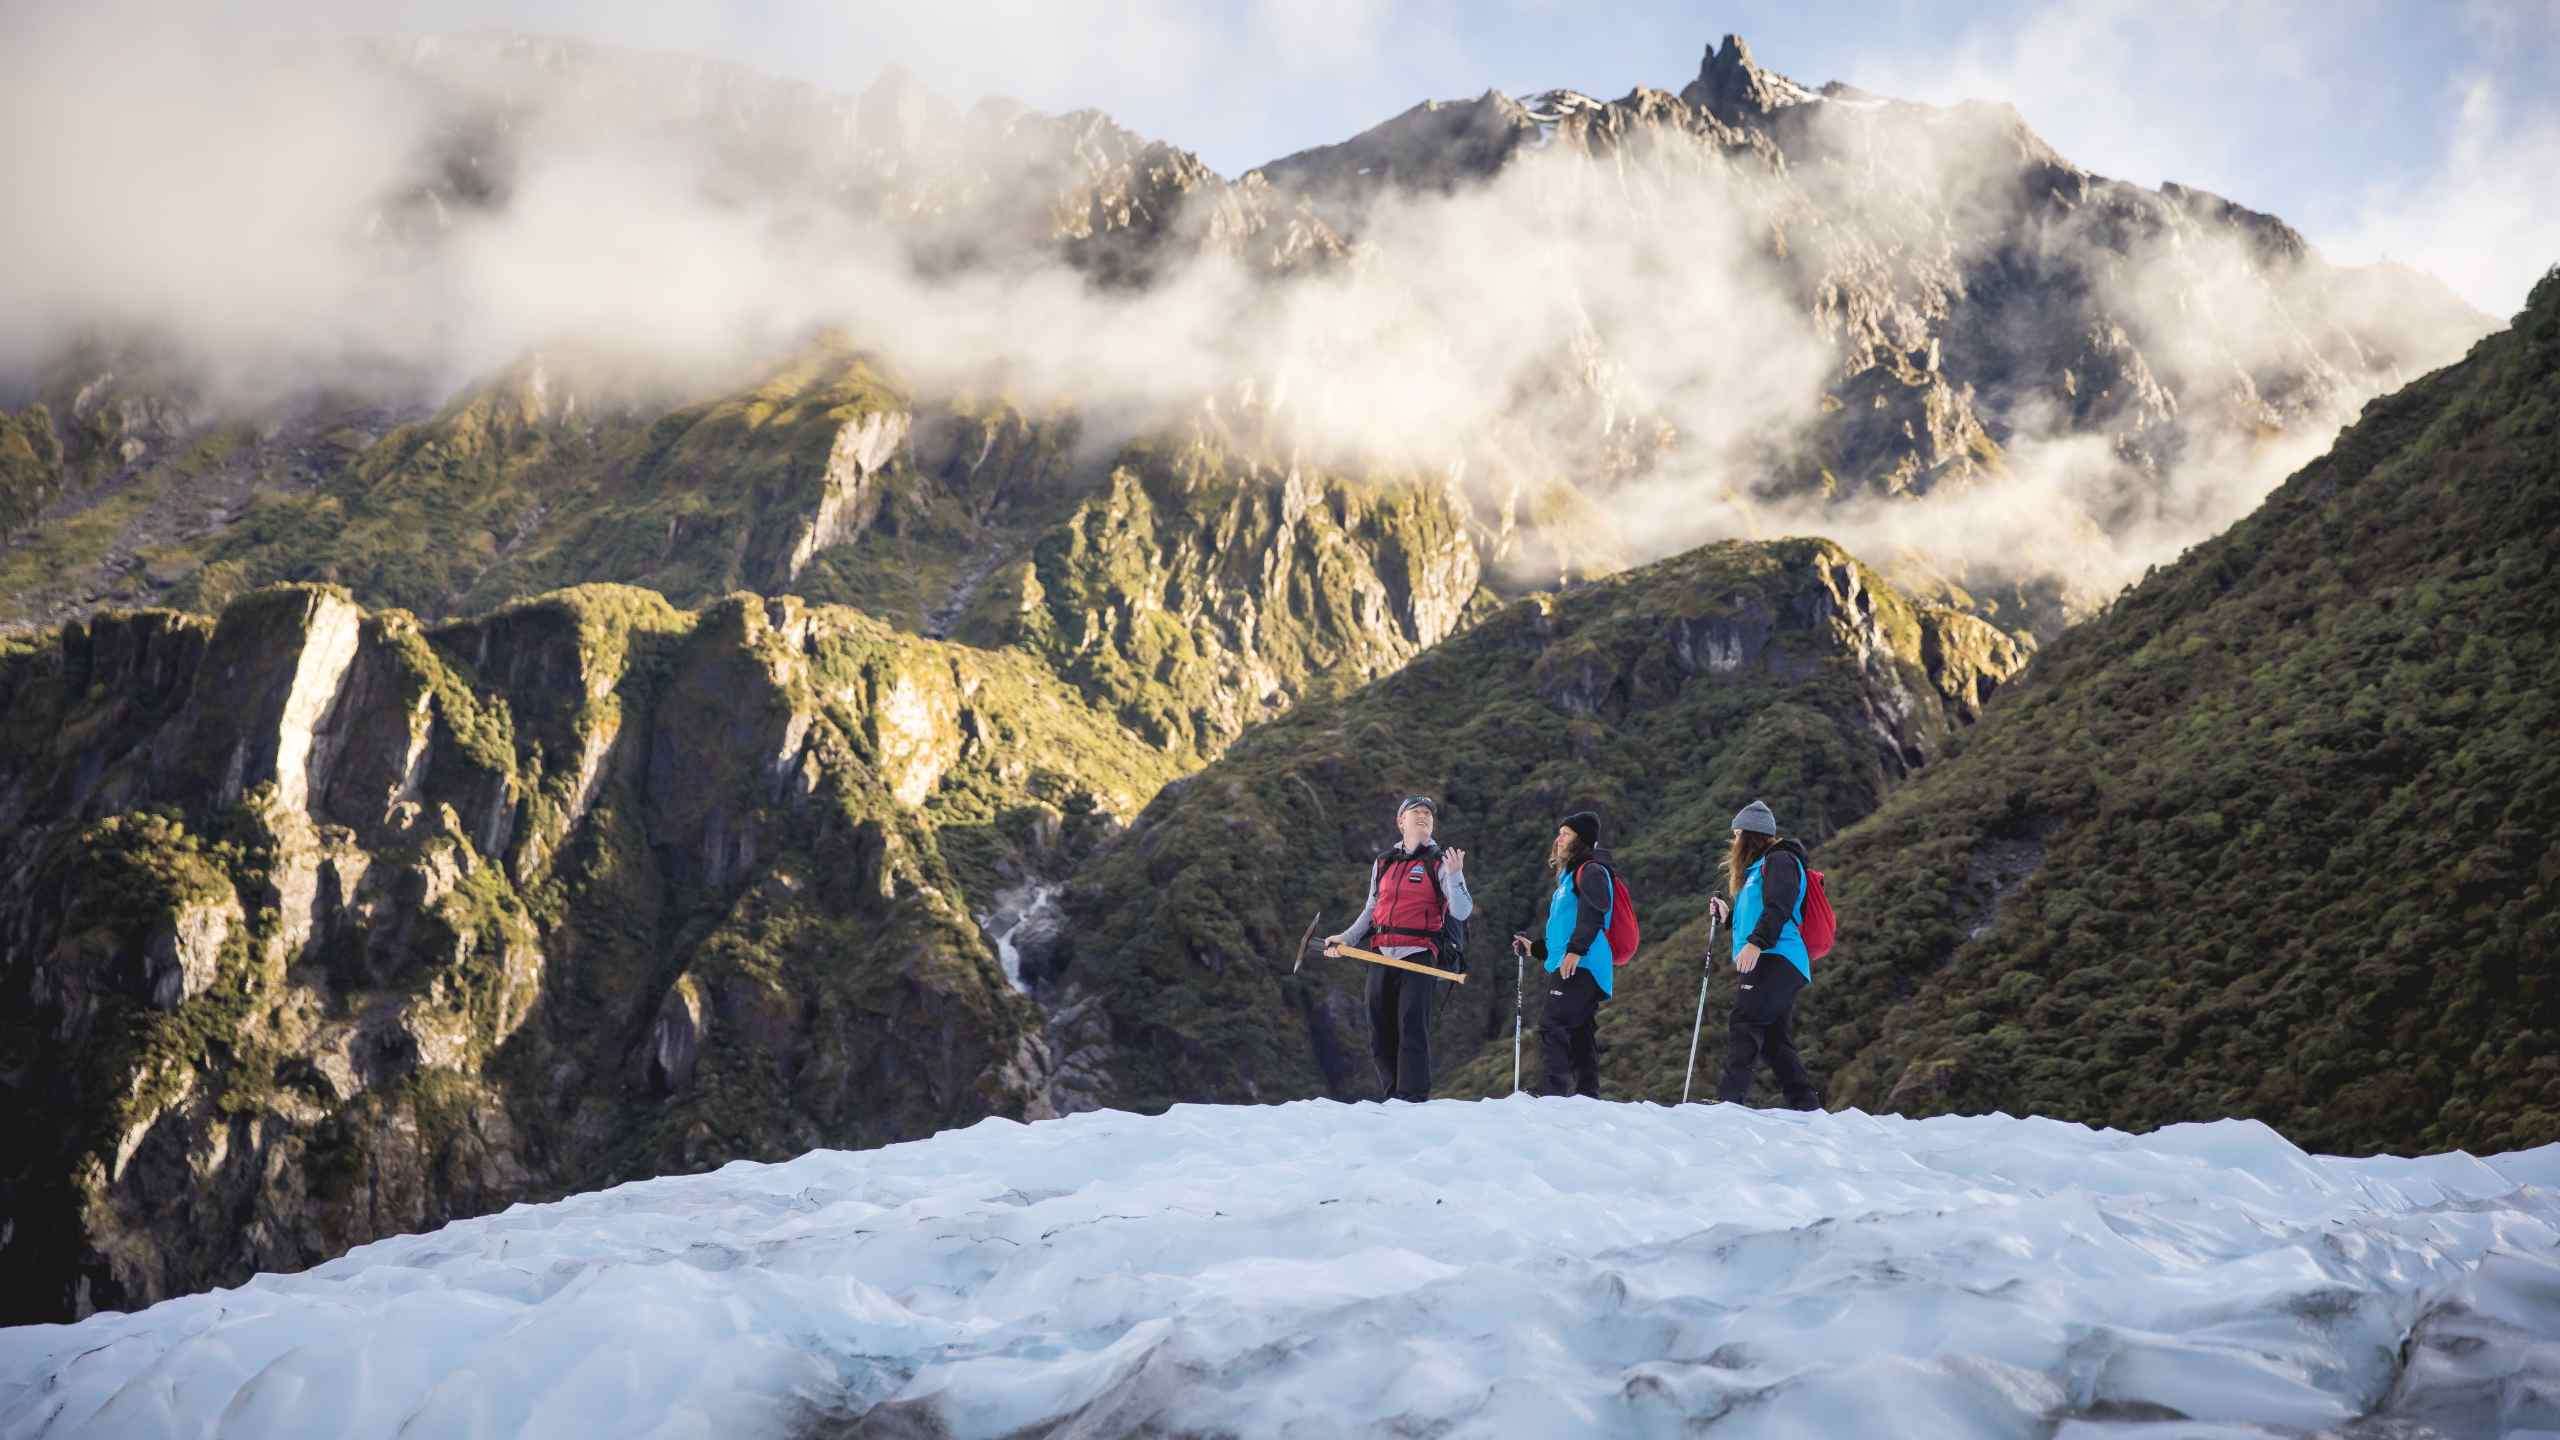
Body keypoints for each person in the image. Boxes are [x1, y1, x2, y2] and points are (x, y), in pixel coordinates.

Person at [1328, 795, 1470, 1102]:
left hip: (1419, 954)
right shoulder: (1383, 863)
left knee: (1411, 1027)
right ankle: (1392, 1095)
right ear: (1400, 821)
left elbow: (1461, 910)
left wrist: (1456, 876)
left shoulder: (1441, 863)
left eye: (1428, 814)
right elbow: (1370, 910)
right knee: (1380, 1028)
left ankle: (1412, 1098)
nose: (1423, 816)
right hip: (1381, 952)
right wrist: (1345, 939)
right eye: (1415, 812)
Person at [1709, 799, 1822, 1109]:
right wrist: (1728, 917)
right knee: (1774, 1038)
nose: (1734, 843)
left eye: (1737, 835)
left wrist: (1757, 943)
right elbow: (1756, 914)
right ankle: (1806, 1105)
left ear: (1748, 835)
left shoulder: (1781, 861)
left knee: (1745, 1021)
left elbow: (1780, 906)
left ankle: (1729, 1103)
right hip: (1774, 956)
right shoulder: (1761, 868)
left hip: (1777, 956)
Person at [1511, 810, 1619, 1098]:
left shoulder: (1591, 871)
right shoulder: (1572, 875)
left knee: (1553, 1025)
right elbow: (1563, 933)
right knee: (1580, 1032)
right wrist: (1533, 947)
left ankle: (1552, 1091)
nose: (1559, 838)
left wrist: (1575, 951)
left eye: (1566, 834)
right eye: (1559, 832)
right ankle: (1587, 1094)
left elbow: (1594, 914)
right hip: (1580, 963)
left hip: (1581, 965)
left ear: (1581, 840)